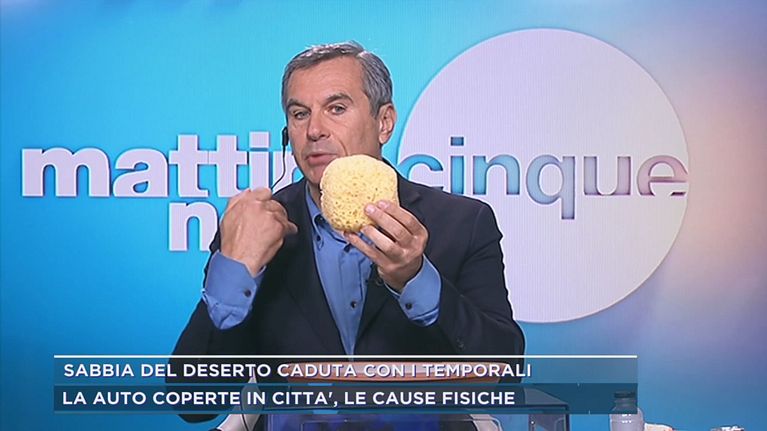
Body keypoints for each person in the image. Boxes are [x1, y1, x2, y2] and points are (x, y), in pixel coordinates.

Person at [170, 41, 524, 425]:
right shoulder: (251, 228)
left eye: (336, 109)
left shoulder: (462, 223)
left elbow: (505, 372)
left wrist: (416, 279)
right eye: (299, 114)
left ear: (384, 122)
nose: (314, 130)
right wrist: (237, 267)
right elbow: (193, 402)